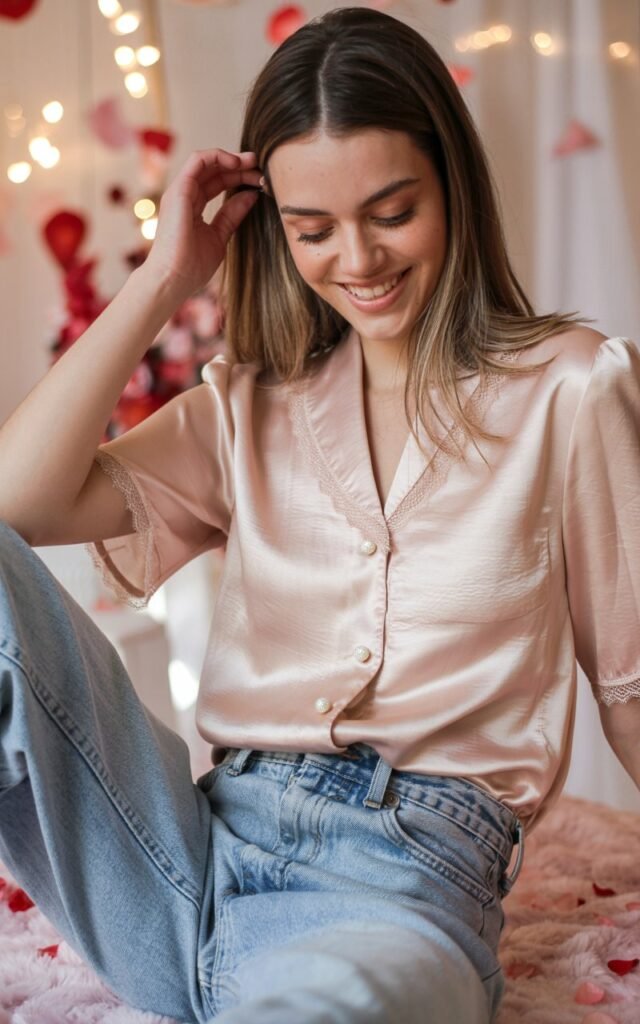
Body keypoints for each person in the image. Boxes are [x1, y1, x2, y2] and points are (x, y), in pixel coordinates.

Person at [0, 6, 638, 1023]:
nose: (359, 259)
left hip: (402, 891)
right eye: (313, 229)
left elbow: (629, 684)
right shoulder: (243, 407)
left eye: (392, 212)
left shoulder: (570, 388)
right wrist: (165, 278)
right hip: (183, 857)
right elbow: (14, 506)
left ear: (454, 189)